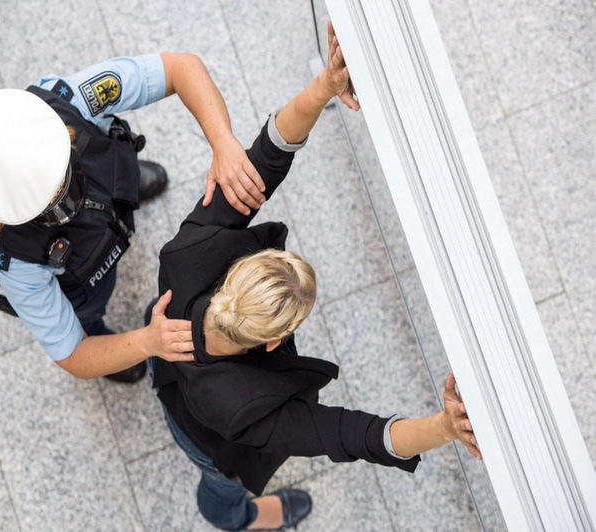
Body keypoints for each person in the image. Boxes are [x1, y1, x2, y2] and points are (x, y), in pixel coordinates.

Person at [151, 23, 481, 530]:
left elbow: (267, 156)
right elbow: (353, 437)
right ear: (273, 343)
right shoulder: (251, 411)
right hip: (209, 439)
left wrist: (328, 83)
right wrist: (444, 427)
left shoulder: (187, 256)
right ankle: (237, 521)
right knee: (222, 485)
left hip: (165, 368)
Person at [0, 52, 267, 382]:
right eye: (51, 198)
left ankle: (125, 187)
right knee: (87, 317)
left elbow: (179, 68)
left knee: (115, 171)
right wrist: (145, 342)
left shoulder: (65, 101)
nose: (63, 191)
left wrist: (222, 142)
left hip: (109, 183)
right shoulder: (13, 259)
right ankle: (112, 347)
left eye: (64, 175)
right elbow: (73, 354)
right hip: (82, 272)